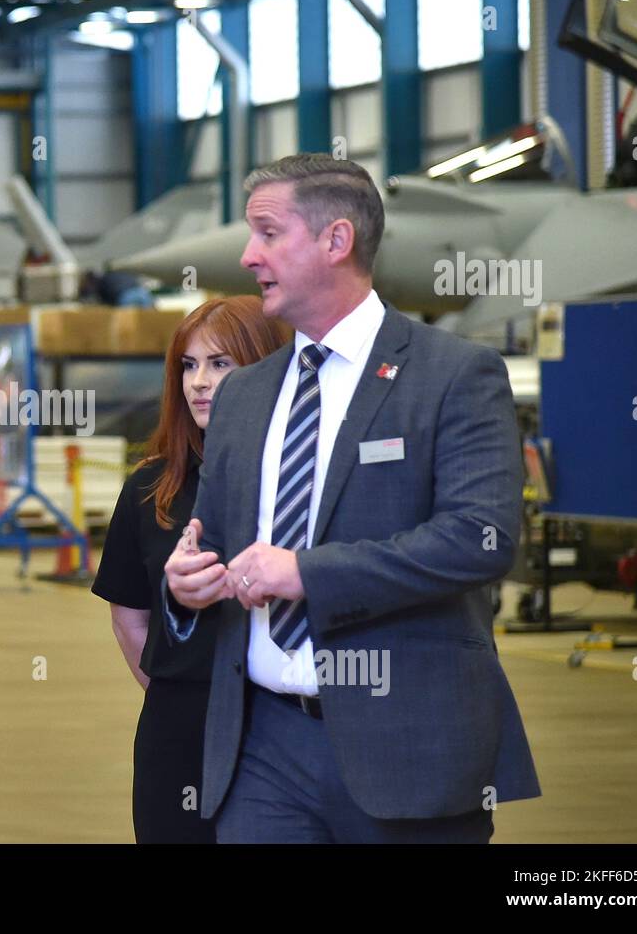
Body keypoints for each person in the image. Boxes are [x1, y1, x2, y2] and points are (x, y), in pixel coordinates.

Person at [165, 154, 540, 843]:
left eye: (268, 233)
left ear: (336, 241)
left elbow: (478, 538)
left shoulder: (455, 375)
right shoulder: (246, 394)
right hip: (261, 753)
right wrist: (188, 582)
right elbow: (214, 540)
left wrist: (306, 573)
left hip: (409, 751)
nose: (249, 256)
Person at [93, 295, 286, 844]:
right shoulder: (150, 488)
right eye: (189, 365)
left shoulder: (295, 481)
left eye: (221, 363)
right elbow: (128, 616)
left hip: (279, 724)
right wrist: (174, 692)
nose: (199, 382)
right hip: (180, 730)